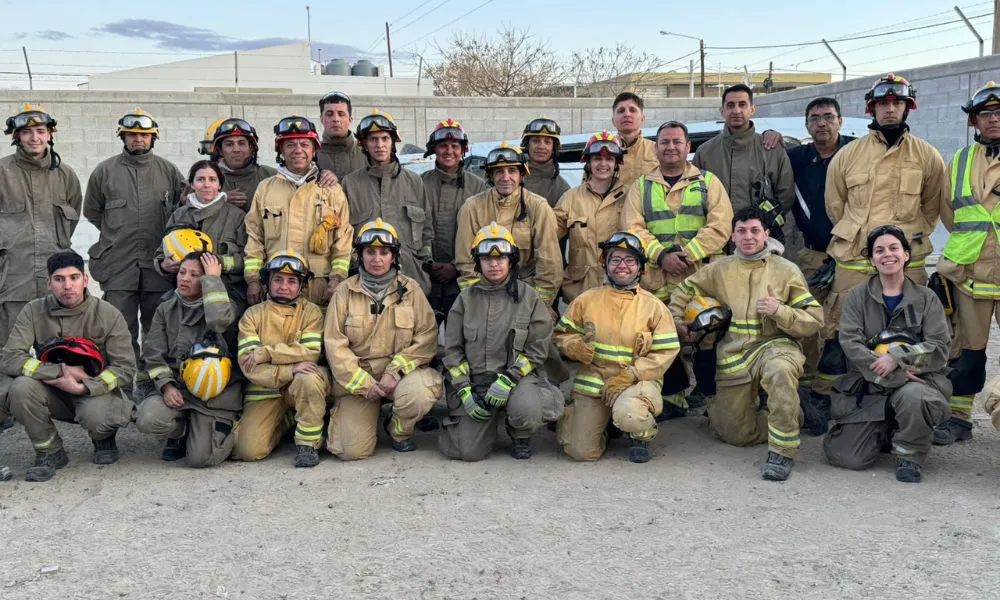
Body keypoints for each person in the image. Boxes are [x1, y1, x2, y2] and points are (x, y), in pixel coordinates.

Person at [669, 207, 823, 481]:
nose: (748, 237)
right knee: (735, 434)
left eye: (755, 230)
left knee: (780, 371)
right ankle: (793, 413)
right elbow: (685, 290)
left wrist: (780, 311)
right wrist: (678, 319)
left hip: (775, 346)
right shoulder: (719, 269)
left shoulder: (786, 270)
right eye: (741, 231)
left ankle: (782, 451)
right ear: (732, 236)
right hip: (734, 355)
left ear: (766, 234)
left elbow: (814, 319)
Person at [822, 74, 946, 388]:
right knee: (841, 333)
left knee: (910, 332)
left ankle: (907, 395)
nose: (890, 109)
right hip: (854, 262)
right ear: (872, 108)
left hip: (906, 265)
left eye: (897, 103)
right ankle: (840, 398)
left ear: (908, 107)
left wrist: (905, 242)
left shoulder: (927, 156)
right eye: (882, 104)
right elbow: (835, 206)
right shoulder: (848, 156)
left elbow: (931, 208)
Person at [823, 225, 950, 483]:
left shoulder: (927, 298)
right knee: (846, 457)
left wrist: (897, 358)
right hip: (871, 384)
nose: (887, 255)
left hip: (917, 382)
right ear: (872, 259)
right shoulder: (857, 296)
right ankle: (886, 430)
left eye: (894, 248)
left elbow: (939, 346)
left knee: (914, 397)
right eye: (879, 251)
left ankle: (910, 454)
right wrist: (894, 374)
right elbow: (850, 342)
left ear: (906, 255)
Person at [624, 121, 733, 417]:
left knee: (708, 334)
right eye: (664, 142)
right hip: (657, 278)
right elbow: (632, 227)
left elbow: (721, 225)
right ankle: (673, 397)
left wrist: (687, 254)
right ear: (655, 148)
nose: (670, 147)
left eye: (677, 142)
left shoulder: (708, 182)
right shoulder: (641, 186)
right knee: (660, 334)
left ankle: (707, 395)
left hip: (701, 277)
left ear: (688, 147)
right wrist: (660, 256)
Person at [0, 251, 135, 482]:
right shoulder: (33, 310)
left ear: (85, 279)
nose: (67, 286)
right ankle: (50, 451)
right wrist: (60, 372)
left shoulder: (108, 314)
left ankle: (103, 437)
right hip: (53, 390)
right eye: (59, 279)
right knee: (21, 387)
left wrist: (84, 387)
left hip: (95, 392)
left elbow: (125, 367)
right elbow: (10, 357)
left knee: (97, 416)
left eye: (74, 278)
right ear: (48, 283)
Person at [761, 98, 856, 416]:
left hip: (852, 255)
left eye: (829, 117)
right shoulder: (797, 157)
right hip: (813, 254)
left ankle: (838, 391)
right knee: (807, 321)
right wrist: (771, 135)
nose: (822, 123)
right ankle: (811, 388)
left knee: (843, 325)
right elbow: (766, 158)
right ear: (806, 125)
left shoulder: (856, 152)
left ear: (840, 121)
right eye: (814, 118)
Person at [439, 223, 564, 461]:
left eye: (500, 258)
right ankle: (482, 424)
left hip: (516, 380)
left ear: (511, 261)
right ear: (478, 263)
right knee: (468, 452)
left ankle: (520, 432)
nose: (494, 264)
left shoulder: (529, 297)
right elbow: (452, 351)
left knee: (527, 409)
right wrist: (464, 390)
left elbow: (538, 348)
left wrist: (509, 379)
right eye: (487, 258)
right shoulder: (465, 300)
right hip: (476, 383)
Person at [83, 109, 186, 397]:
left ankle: (152, 387)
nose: (138, 139)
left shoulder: (168, 171)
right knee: (119, 331)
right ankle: (122, 392)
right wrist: (118, 235)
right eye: (132, 135)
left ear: (154, 138)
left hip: (158, 268)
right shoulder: (105, 172)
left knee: (156, 329)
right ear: (123, 137)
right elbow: (92, 211)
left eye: (144, 135)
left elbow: (182, 211)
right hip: (118, 266)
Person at [555, 232, 680, 463]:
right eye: (615, 259)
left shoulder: (654, 307)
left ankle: (640, 434)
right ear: (606, 264)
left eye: (630, 260)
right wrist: (573, 346)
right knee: (580, 451)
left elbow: (666, 351)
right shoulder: (586, 300)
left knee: (630, 414)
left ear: (640, 267)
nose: (622, 265)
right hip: (594, 384)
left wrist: (632, 374)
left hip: (635, 383)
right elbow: (562, 335)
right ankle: (606, 425)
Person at [324, 220, 442, 460]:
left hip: (399, 376)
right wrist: (364, 384)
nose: (377, 259)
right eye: (370, 252)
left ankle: (398, 429)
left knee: (419, 393)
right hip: (359, 380)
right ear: (360, 255)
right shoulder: (344, 292)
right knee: (350, 451)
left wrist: (395, 371)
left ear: (394, 256)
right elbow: (335, 345)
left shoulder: (411, 289)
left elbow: (427, 337)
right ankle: (367, 414)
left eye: (384, 252)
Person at [933, 81, 1000, 445]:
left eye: (999, 113)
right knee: (966, 351)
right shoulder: (959, 161)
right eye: (985, 114)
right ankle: (959, 417)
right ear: (974, 121)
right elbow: (950, 213)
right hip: (970, 273)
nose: (993, 119)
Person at [136, 252, 242, 468]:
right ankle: (181, 431)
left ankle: (229, 428)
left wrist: (212, 280)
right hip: (179, 390)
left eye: (195, 275)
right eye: (182, 272)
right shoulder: (166, 308)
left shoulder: (225, 305)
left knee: (200, 459)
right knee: (147, 418)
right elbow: (153, 354)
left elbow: (218, 322)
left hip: (214, 395)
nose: (185, 279)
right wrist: (166, 386)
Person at [244, 115, 353, 308]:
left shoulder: (331, 190)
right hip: (278, 286)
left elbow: (343, 241)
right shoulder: (265, 189)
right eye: (290, 145)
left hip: (320, 289)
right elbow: (255, 237)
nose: (298, 150)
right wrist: (253, 280)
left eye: (304, 144)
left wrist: (337, 279)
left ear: (314, 150)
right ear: (281, 150)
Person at [234, 250, 329, 468]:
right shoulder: (252, 315)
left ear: (302, 285)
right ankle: (287, 421)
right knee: (248, 451)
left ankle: (308, 444)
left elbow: (311, 353)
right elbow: (249, 366)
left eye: (291, 281)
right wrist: (290, 369)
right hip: (265, 390)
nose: (284, 286)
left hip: (300, 384)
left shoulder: (312, 313)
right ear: (267, 281)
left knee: (308, 377)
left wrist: (266, 353)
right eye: (277, 279)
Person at [0, 105, 82, 345]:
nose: (34, 138)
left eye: (40, 131)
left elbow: (72, 219)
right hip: (12, 282)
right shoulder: (2, 173)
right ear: (17, 137)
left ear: (49, 135)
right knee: (9, 351)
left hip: (55, 285)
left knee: (57, 353)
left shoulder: (65, 175)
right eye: (26, 132)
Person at [455, 145, 562, 306]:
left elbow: (549, 263)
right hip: (485, 292)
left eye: (512, 170)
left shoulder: (539, 207)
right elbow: (465, 262)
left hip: (527, 292)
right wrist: (477, 302)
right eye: (499, 171)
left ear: (522, 174)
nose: (506, 177)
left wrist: (540, 304)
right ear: (490, 176)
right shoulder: (471, 208)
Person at [341, 110, 434, 294]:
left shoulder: (414, 182)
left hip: (411, 278)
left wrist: (424, 264)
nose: (380, 145)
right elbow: (343, 234)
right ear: (364, 144)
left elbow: (427, 230)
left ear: (393, 142)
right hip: (364, 284)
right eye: (373, 139)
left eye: (385, 139)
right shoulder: (350, 184)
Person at [692, 84, 794, 245]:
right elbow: (695, 196)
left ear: (752, 109)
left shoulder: (771, 150)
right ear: (722, 111)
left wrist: (761, 226)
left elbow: (785, 196)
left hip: (759, 244)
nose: (736, 110)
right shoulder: (705, 152)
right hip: (717, 243)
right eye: (730, 105)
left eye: (742, 104)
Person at [154, 160, 248, 311]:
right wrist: (164, 266)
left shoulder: (236, 216)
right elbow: (161, 252)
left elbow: (247, 258)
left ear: (219, 185)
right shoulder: (179, 215)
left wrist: (218, 262)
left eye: (212, 179)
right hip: (185, 299)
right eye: (200, 179)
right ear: (192, 184)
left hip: (223, 295)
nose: (206, 185)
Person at [420, 119, 488, 319]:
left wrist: (455, 265)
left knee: (461, 335)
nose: (449, 151)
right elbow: (413, 230)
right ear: (434, 149)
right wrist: (428, 263)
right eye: (443, 145)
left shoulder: (478, 187)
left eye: (455, 146)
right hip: (425, 280)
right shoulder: (419, 183)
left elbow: (482, 232)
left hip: (463, 280)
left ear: (463, 150)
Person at [554, 131, 630, 302]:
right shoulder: (571, 198)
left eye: (609, 159)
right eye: (597, 159)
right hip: (580, 293)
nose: (603, 164)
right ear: (588, 162)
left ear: (616, 163)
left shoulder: (630, 196)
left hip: (619, 290)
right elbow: (548, 236)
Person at [210, 118, 277, 211]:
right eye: (229, 144)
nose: (236, 149)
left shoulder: (271, 176)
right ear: (220, 150)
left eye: (242, 143)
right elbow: (192, 206)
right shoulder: (206, 178)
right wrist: (219, 199)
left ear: (251, 148)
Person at [520, 117, 571, 207]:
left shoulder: (562, 189)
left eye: (547, 142)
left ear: (554, 148)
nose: (541, 146)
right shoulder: (511, 179)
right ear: (527, 145)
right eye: (535, 141)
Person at [316, 91, 366, 179]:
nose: (336, 119)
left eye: (341, 114)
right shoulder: (312, 154)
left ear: (350, 119)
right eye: (329, 114)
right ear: (321, 119)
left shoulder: (366, 152)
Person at [612, 92, 658, 187]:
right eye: (621, 111)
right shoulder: (601, 151)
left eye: (632, 110)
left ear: (642, 118)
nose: (627, 114)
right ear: (613, 120)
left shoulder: (658, 151)